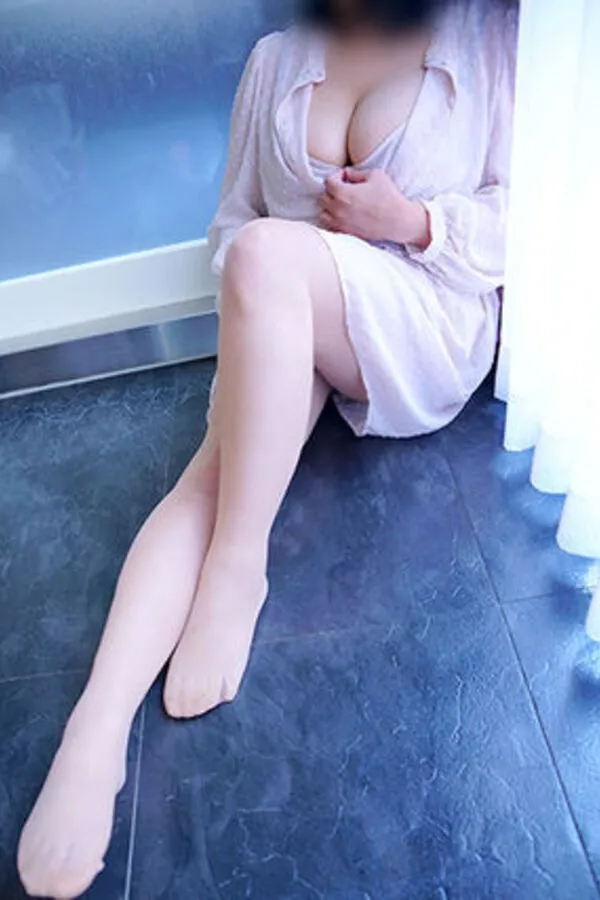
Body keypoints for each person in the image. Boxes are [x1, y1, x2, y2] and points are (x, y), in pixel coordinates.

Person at [17, 0, 518, 895]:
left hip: (422, 314)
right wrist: (281, 295)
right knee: (209, 467)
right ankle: (92, 735)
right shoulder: (276, 59)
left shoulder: (488, 36)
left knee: (264, 261)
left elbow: (543, 219)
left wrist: (411, 221)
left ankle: (237, 568)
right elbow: (233, 224)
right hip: (295, 305)